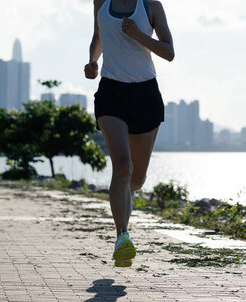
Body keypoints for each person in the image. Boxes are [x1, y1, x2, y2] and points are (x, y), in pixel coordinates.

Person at [84, 0, 174, 267]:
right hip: (111, 92)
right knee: (122, 165)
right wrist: (92, 61)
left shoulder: (151, 7)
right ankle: (122, 236)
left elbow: (169, 52)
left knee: (136, 178)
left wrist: (139, 35)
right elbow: (98, 36)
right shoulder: (101, 3)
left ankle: (129, 195)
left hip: (145, 94)